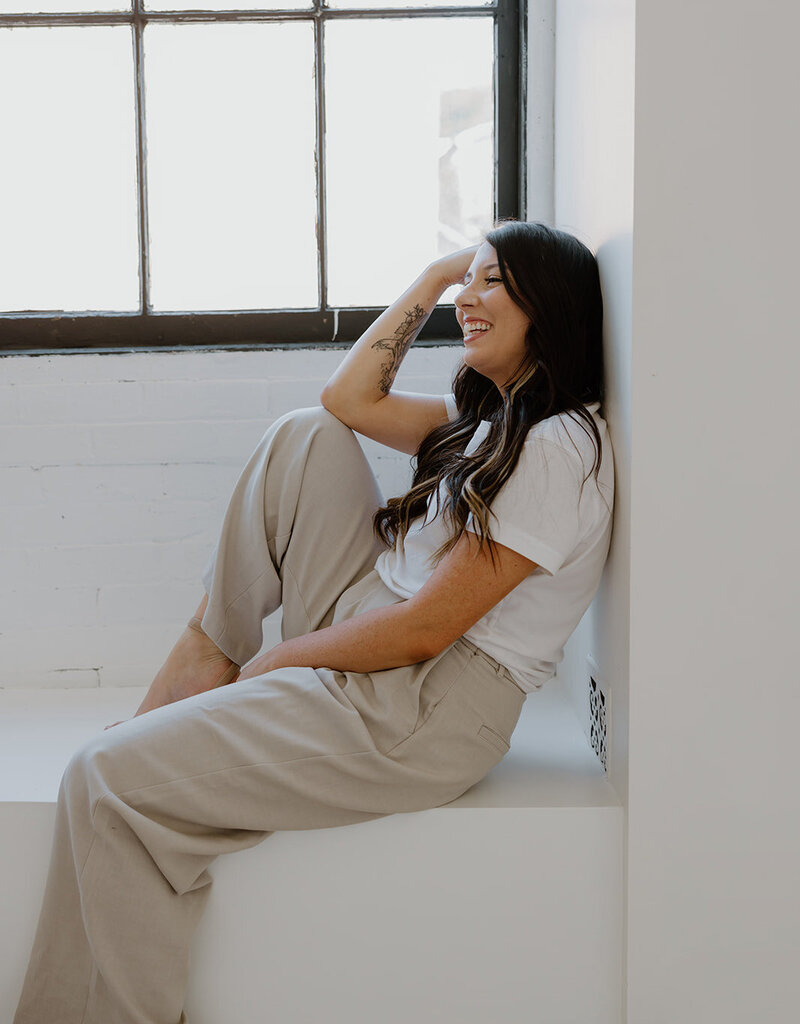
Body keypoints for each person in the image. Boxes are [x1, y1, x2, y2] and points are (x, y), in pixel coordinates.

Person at [14, 220, 614, 1024]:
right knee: (306, 433)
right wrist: (438, 277)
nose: (469, 299)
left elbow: (424, 634)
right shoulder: (490, 420)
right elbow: (349, 399)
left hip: (421, 703)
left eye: (492, 282)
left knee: (104, 781)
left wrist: (283, 662)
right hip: (378, 626)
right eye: (468, 281)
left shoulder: (557, 445)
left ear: (551, 303)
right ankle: (203, 661)